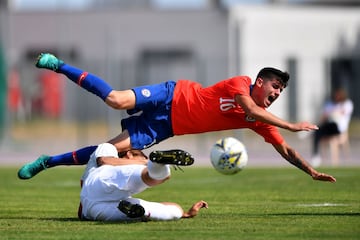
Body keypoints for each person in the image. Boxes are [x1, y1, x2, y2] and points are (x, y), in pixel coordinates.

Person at [17, 53, 336, 183]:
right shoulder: (241, 84)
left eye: (280, 90)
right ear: (259, 81)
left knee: (107, 153)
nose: (277, 93)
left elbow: (286, 151)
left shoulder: (259, 120)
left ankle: (47, 162)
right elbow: (252, 109)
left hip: (166, 125)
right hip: (171, 94)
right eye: (275, 86)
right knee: (115, 99)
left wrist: (310, 171)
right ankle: (59, 65)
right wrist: (292, 125)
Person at [79, 143, 207, 221]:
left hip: (93, 210)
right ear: (129, 154)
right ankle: (157, 163)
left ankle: (141, 212)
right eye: (144, 156)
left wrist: (185, 213)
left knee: (167, 211)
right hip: (100, 180)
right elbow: (104, 161)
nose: (144, 161)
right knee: (147, 175)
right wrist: (145, 162)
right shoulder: (107, 148)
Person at [311, 88, 353, 167]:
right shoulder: (330, 104)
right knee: (317, 132)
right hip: (329, 127)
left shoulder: (347, 103)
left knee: (333, 123)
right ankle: (316, 155)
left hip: (339, 128)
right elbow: (324, 116)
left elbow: (343, 113)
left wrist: (333, 113)